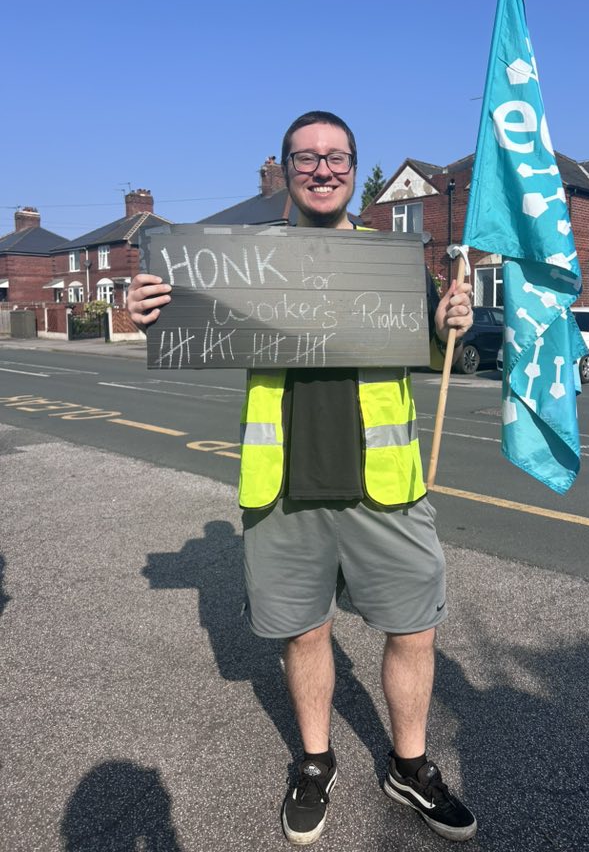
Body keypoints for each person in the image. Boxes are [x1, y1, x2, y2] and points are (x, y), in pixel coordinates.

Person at [128, 111, 476, 845]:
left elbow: (433, 341)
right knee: (304, 634)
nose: (323, 168)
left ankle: (409, 767)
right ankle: (315, 763)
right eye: (306, 157)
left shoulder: (391, 261)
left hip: (388, 488)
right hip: (283, 490)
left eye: (337, 157)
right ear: (286, 171)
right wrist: (148, 312)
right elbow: (182, 322)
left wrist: (453, 317)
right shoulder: (240, 259)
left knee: (414, 631)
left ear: (354, 169)